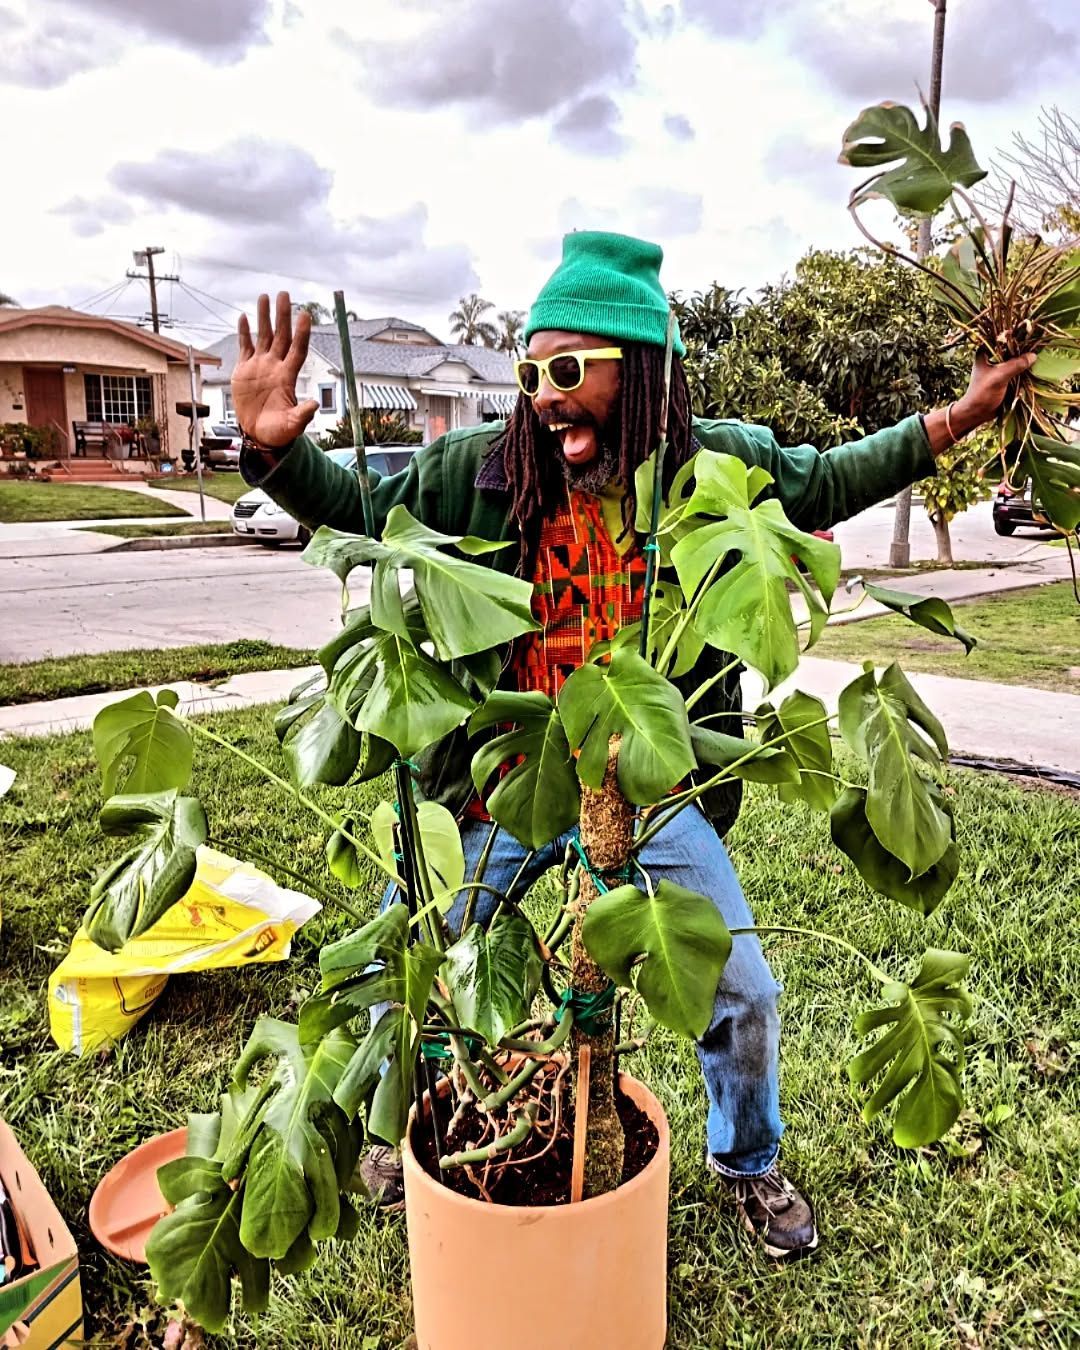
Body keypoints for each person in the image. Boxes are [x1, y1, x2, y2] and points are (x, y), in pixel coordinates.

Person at [232, 231, 1032, 1258]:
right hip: (506, 784)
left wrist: (959, 417)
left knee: (741, 992)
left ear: (643, 371)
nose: (544, 395)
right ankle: (404, 1129)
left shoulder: (714, 469)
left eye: (569, 370)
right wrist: (277, 453)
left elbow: (825, 482)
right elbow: (366, 515)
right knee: (410, 960)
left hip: (651, 791)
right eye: (531, 373)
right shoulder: (475, 472)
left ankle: (748, 1165)